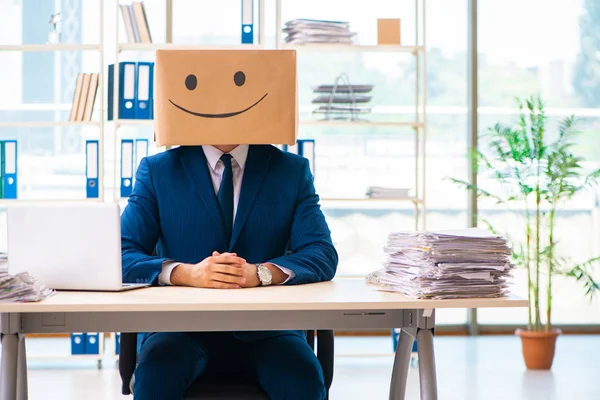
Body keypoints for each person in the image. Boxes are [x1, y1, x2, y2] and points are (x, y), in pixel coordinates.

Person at [120, 142, 338, 400]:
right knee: (156, 378)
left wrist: (262, 274)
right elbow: (121, 253)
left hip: (268, 330)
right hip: (180, 329)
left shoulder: (291, 169)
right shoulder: (158, 170)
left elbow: (321, 252)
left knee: (303, 382)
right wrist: (185, 274)